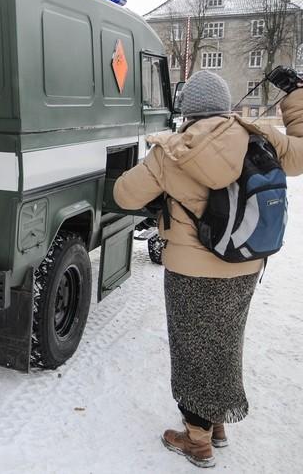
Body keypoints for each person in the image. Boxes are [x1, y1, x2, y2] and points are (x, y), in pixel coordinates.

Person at [113, 71, 303, 468]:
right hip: (247, 262)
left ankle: (196, 440)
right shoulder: (260, 136)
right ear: (225, 103)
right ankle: (217, 423)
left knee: (192, 349)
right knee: (225, 344)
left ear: (187, 110)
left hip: (191, 270)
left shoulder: (171, 152)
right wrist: (297, 96)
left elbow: (124, 195)